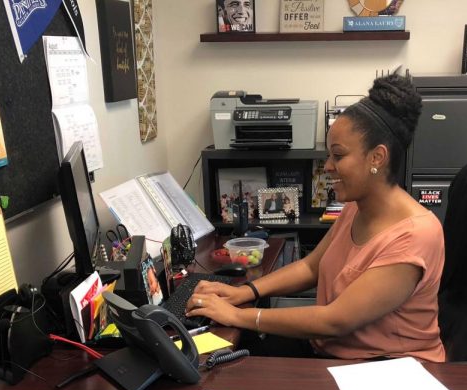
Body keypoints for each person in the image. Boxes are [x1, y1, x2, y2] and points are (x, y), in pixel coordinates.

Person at [186, 73, 446, 362]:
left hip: (383, 369)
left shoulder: (415, 235)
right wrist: (244, 292)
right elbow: (311, 267)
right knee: (221, 360)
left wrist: (239, 315)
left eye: (338, 155)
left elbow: (335, 320)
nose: (328, 167)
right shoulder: (356, 208)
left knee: (236, 365)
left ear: (377, 157)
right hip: (332, 350)